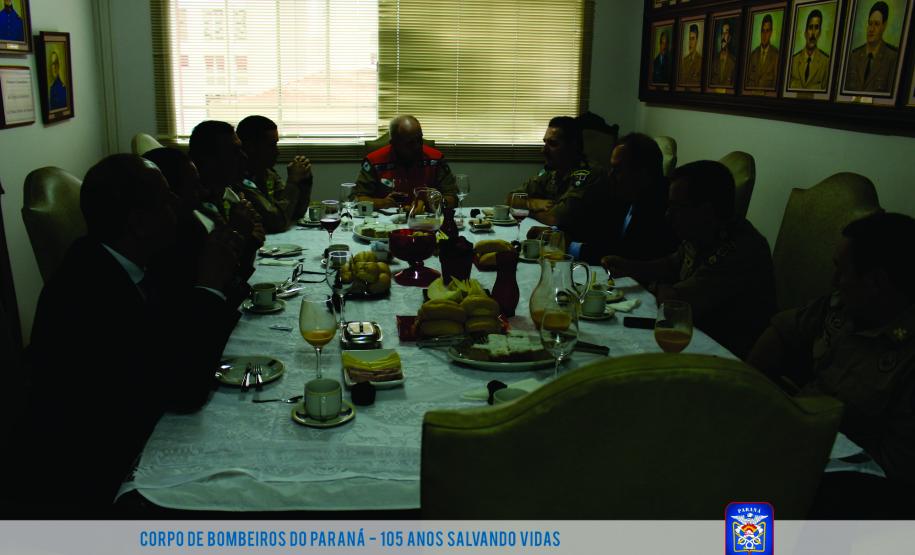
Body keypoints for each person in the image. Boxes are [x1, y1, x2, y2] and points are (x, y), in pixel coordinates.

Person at [19, 154, 239, 515]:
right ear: (138, 223)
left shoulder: (126, 262)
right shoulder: (90, 291)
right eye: (166, 199)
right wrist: (210, 287)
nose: (177, 204)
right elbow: (183, 389)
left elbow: (172, 334)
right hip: (90, 478)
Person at [747, 212, 915, 517]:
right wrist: (751, 391)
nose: (834, 281)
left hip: (843, 488)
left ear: (876, 281)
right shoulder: (845, 306)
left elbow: (892, 475)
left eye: (842, 271)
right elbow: (783, 331)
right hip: (795, 437)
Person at [603, 160, 776, 358]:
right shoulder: (703, 231)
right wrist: (630, 267)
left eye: (677, 207)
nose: (668, 215)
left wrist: (657, 286)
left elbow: (675, 304)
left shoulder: (740, 250)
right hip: (696, 339)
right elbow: (672, 263)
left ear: (706, 210)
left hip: (728, 355)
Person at [564, 133, 676, 264]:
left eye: (618, 169)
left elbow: (626, 255)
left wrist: (570, 247)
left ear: (642, 172)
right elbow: (596, 231)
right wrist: (558, 234)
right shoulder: (625, 195)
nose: (610, 175)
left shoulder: (662, 207)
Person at [510, 116, 604, 229]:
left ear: (572, 146)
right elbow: (511, 198)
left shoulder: (588, 175)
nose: (543, 150)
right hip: (551, 235)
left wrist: (526, 211)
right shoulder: (552, 171)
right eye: (545, 143)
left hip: (579, 239)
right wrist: (533, 202)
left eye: (552, 144)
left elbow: (554, 218)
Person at [188, 120, 266, 251]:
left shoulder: (224, 192)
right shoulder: (193, 209)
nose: (244, 157)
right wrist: (237, 232)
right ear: (208, 160)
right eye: (234, 152)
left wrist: (250, 240)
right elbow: (213, 261)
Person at [353, 115, 458, 209]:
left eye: (419, 139)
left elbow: (453, 197)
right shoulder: (374, 161)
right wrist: (383, 203)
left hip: (426, 219)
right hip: (385, 221)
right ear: (394, 143)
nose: (417, 146)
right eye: (410, 143)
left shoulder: (436, 159)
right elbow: (357, 199)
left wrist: (433, 203)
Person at [237, 115, 313, 233]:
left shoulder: (267, 172)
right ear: (250, 147)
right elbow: (278, 223)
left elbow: (295, 212)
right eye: (271, 146)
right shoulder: (239, 180)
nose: (277, 152)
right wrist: (292, 182)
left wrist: (303, 180)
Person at [844, 1, 898, 93]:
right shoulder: (854, 56)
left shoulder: (892, 58)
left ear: (884, 26)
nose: (871, 29)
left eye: (876, 24)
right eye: (870, 23)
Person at [789, 9, 831, 90]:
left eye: (816, 28)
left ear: (820, 32)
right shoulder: (793, 61)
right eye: (810, 27)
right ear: (805, 32)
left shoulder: (825, 62)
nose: (813, 33)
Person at [745, 14, 780, 89]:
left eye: (767, 31)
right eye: (762, 31)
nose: (764, 35)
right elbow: (747, 81)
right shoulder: (753, 55)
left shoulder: (776, 55)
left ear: (771, 33)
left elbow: (776, 83)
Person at [709, 21, 737, 87]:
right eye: (722, 33)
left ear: (729, 38)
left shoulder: (733, 62)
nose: (723, 36)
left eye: (726, 33)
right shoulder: (714, 60)